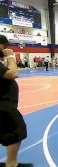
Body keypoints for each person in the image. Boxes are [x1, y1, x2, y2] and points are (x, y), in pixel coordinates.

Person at [0, 35, 33, 167]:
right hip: (3, 106)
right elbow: (13, 73)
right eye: (4, 46)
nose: (6, 49)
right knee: (16, 132)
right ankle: (11, 163)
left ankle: (12, 162)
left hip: (5, 104)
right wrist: (10, 57)